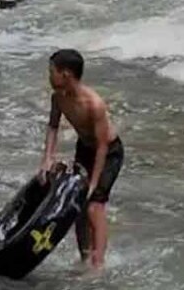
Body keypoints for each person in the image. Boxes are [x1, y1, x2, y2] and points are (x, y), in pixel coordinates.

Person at [36, 49, 123, 269]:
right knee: (78, 206)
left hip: (109, 152)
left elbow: (103, 146)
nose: (49, 77)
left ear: (65, 74)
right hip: (84, 149)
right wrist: (47, 159)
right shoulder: (58, 98)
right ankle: (85, 257)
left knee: (94, 205)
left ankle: (99, 263)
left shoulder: (94, 104)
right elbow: (53, 126)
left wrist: (94, 184)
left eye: (51, 72)